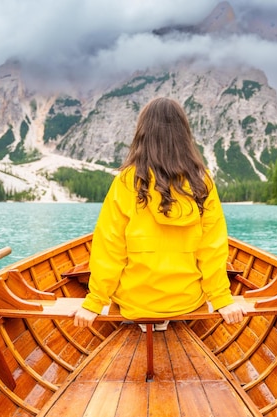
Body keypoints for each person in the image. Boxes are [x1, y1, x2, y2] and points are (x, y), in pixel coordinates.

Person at [73, 97, 245, 329]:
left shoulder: (126, 181)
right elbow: (212, 248)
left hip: (135, 302)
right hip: (186, 302)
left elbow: (110, 247)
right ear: (184, 134)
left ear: (142, 134)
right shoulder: (202, 181)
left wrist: (94, 302)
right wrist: (222, 299)